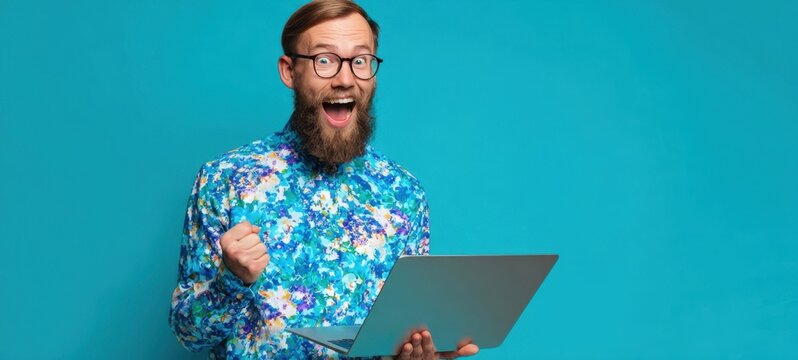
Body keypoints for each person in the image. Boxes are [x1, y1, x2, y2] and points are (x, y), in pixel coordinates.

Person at [168, 1, 480, 358]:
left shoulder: (403, 194)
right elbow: (188, 335)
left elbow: (402, 330)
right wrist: (232, 280)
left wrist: (418, 353)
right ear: (289, 71)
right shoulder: (225, 181)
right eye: (325, 60)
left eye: (360, 61)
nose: (345, 78)